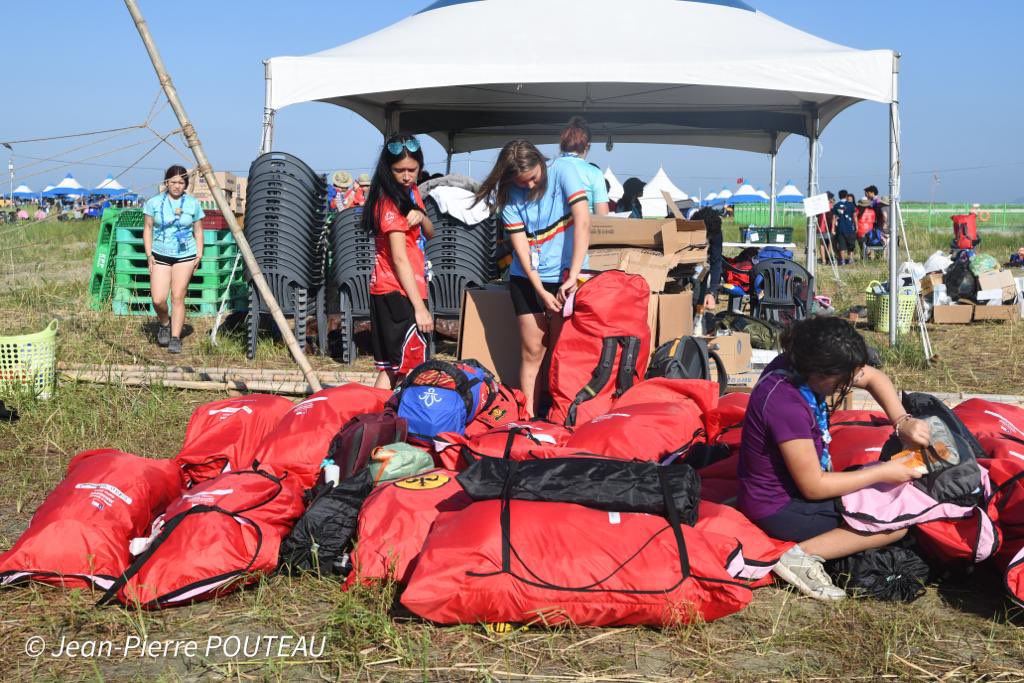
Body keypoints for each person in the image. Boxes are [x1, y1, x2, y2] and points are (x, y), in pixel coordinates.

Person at [738, 316, 932, 601]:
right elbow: (813, 487)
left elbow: (874, 377)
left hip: (791, 488)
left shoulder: (799, 364)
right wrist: (883, 471)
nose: (848, 383)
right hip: (777, 507)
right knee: (894, 525)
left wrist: (902, 422)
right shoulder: (786, 403)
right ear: (819, 373)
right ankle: (800, 557)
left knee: (885, 494)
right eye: (841, 379)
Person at [474, 139, 591, 416]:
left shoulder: (564, 170)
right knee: (533, 351)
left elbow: (584, 222)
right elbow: (521, 249)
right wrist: (540, 290)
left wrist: (573, 276)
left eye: (533, 178)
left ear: (541, 162)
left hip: (568, 274)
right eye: (521, 181)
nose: (528, 186)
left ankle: (564, 416)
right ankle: (527, 418)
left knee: (566, 353)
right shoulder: (509, 194)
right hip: (528, 279)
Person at [363, 134, 435, 390]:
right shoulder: (390, 202)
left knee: (391, 367)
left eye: (412, 170)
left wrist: (420, 214)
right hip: (398, 291)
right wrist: (419, 308)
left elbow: (429, 232)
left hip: (395, 288)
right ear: (387, 168)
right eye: (399, 170)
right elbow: (399, 258)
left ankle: (375, 421)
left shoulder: (409, 191)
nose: (406, 175)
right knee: (411, 370)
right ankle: (400, 424)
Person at [143, 165, 205, 354]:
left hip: (185, 255)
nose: (177, 186)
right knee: (158, 299)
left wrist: (199, 254)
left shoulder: (193, 203)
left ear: (185, 184)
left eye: (181, 182)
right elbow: (147, 229)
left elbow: (198, 230)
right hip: (160, 254)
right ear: (166, 182)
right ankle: (164, 323)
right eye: (173, 182)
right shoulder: (153, 202)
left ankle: (176, 337)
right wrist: (149, 254)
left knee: (178, 296)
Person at [551, 116, 609, 216]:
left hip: (551, 230)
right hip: (583, 228)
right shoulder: (594, 172)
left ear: (563, 143)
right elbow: (603, 216)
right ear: (587, 145)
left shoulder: (547, 168)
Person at [691, 206, 724, 311]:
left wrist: (712, 291)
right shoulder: (691, 229)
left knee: (699, 295)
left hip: (703, 266)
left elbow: (716, 261)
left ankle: (698, 313)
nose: (706, 238)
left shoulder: (716, 233)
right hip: (685, 264)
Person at [831, 190, 857, 265]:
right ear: (846, 196)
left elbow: (834, 218)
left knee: (841, 245)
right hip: (849, 228)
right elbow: (855, 216)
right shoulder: (851, 205)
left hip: (840, 228)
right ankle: (850, 259)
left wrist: (832, 228)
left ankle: (842, 260)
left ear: (839, 196)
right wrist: (856, 226)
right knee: (851, 244)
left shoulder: (836, 205)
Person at [817, 191, 836, 264]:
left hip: (821, 226)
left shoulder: (820, 205)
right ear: (830, 198)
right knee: (829, 243)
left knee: (822, 243)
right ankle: (828, 257)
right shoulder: (831, 206)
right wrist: (833, 228)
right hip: (829, 226)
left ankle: (823, 260)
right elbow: (833, 218)